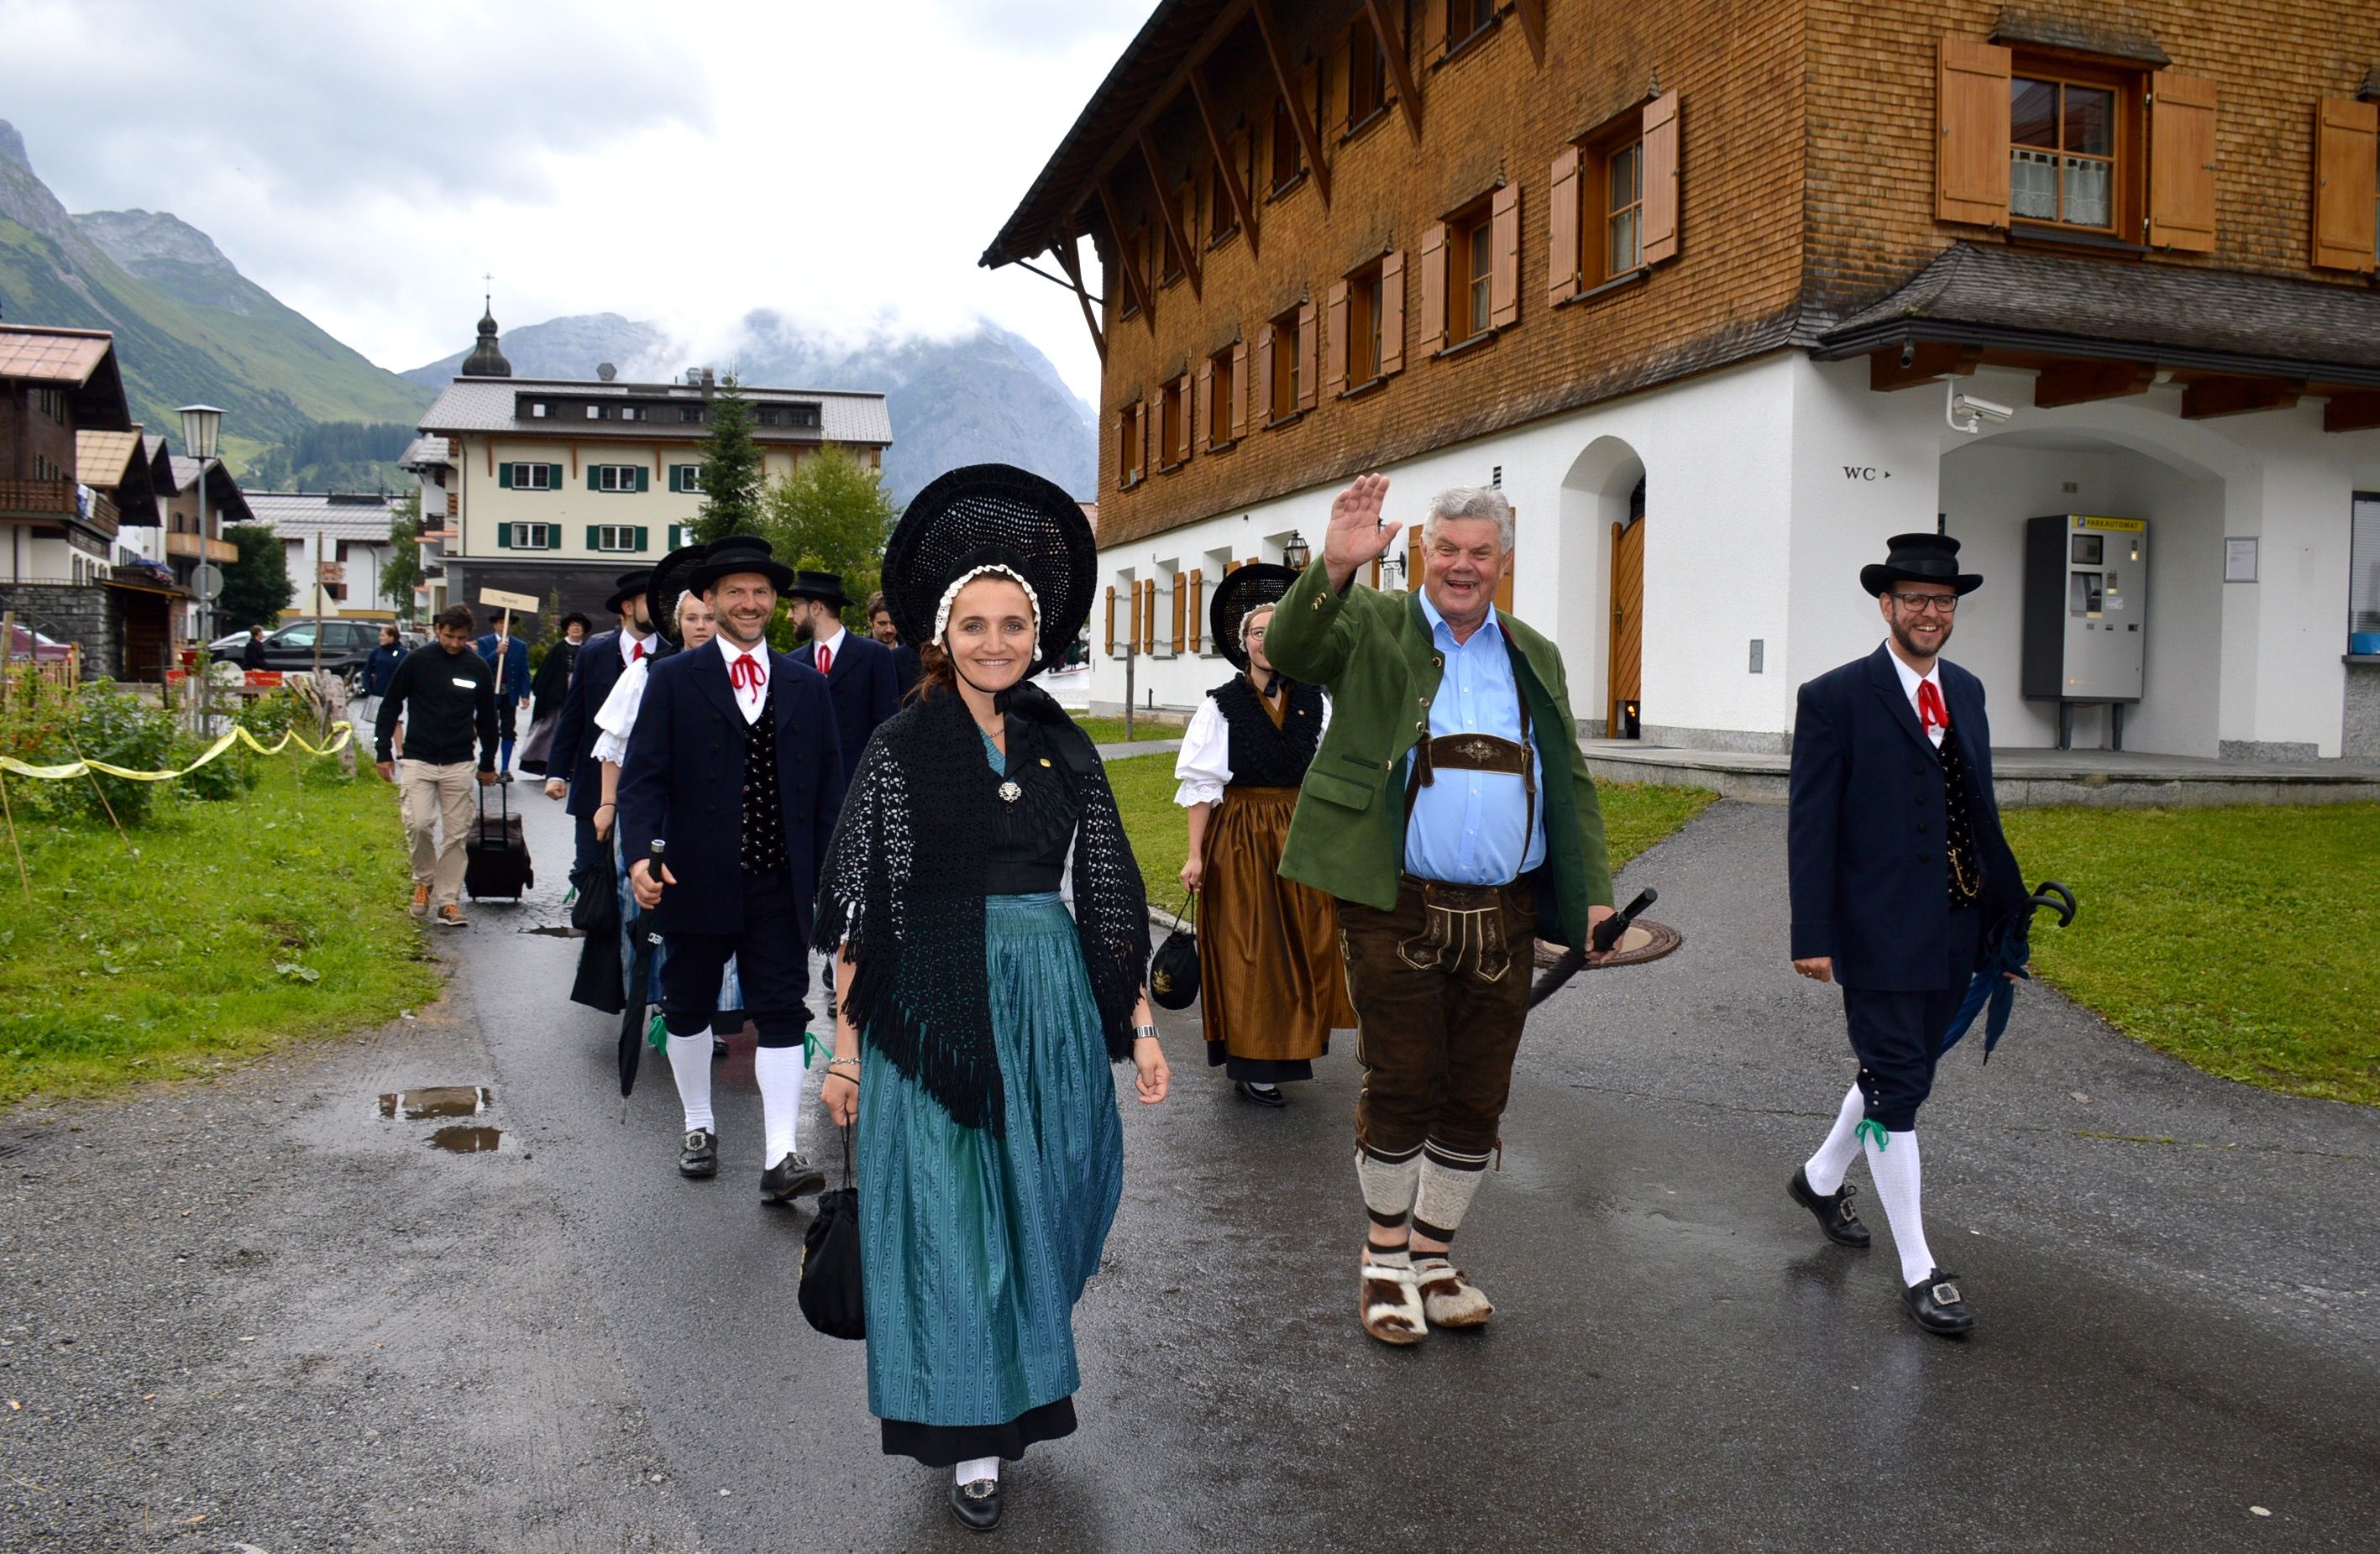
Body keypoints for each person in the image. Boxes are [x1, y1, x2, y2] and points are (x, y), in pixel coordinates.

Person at [815, 464, 1164, 1533]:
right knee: (956, 1223)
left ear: (1037, 634)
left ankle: (1017, 1371)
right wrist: (844, 1049)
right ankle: (970, 1434)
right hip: (932, 1008)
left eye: (1012, 625)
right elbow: (862, 907)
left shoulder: (1062, 742)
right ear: (942, 633)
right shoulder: (900, 746)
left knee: (1052, 1199)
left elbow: (1106, 890)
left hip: (1045, 999)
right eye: (974, 625)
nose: (994, 642)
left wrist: (1139, 1025)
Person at [1265, 476, 1615, 1347]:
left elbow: (1568, 778)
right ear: (1423, 551)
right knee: (1403, 1079)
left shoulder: (1534, 651)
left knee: (1478, 1091)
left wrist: (1592, 895)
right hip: (1397, 902)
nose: (1462, 566)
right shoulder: (1373, 623)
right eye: (1446, 549)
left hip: (1507, 909)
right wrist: (1333, 568)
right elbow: (1295, 647)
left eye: (1479, 552)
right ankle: (1383, 1258)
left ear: (1503, 560)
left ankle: (1434, 1256)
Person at [1785, 531, 2026, 1339]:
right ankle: (1920, 1269)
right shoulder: (1835, 697)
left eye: (1943, 600)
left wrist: (2005, 925)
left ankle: (1821, 1178)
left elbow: (1982, 814)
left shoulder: (1969, 691)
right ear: (1886, 605)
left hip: (1957, 923)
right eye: (1916, 599)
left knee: (1903, 1070)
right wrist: (1812, 932)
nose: (1931, 613)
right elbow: (1811, 825)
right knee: (1897, 1084)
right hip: (1877, 927)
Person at [620, 537, 845, 1203]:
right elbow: (642, 779)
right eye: (736, 591)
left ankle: (779, 1154)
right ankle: (698, 1124)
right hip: (693, 879)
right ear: (711, 600)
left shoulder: (807, 685)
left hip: (779, 881)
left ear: (775, 601)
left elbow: (830, 790)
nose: (750, 603)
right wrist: (639, 858)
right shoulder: (673, 680)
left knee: (782, 1010)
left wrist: (833, 875)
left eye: (761, 592)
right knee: (687, 1005)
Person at [1173, 563, 1355, 1106]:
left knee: (1303, 944)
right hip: (1240, 837)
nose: (1266, 641)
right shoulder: (1219, 705)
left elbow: (1331, 774)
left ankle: (1293, 1044)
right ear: (1243, 642)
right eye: (1257, 632)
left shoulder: (1316, 700)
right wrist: (1195, 855)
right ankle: (1253, 1061)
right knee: (1248, 949)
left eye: (1277, 632)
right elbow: (1202, 785)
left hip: (1300, 832)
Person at [374, 604, 499, 928]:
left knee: (456, 834)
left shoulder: (477, 667)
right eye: (449, 636)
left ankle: (448, 901)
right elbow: (390, 705)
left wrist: (488, 762)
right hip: (418, 758)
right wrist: (383, 751)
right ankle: (424, 881)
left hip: (459, 761)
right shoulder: (416, 661)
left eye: (461, 638)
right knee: (418, 824)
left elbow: (488, 718)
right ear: (437, 630)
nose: (455, 643)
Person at [546, 571, 654, 889]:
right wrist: (556, 772)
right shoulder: (593, 653)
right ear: (628, 607)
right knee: (590, 869)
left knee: (643, 872)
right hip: (594, 779)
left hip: (649, 780)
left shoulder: (673, 653)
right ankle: (593, 916)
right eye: (650, 601)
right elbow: (573, 717)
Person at [787, 571, 901, 791]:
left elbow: (888, 726)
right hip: (807, 788)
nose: (790, 616)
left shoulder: (873, 655)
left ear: (816, 608)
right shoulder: (792, 662)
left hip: (860, 786)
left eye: (794, 607)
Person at [519, 612, 586, 777]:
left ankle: (573, 766)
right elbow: (544, 675)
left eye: (579, 625)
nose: (576, 628)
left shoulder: (587, 649)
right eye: (573, 625)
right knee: (552, 731)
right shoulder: (558, 649)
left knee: (578, 733)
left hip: (579, 698)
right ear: (567, 629)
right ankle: (549, 765)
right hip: (556, 700)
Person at [475, 611, 532, 780]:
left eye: (506, 623)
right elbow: (480, 666)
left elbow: (524, 672)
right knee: (489, 729)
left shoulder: (520, 646)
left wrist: (525, 694)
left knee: (508, 731)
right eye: (500, 623)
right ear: (495, 625)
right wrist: (496, 653)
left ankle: (506, 768)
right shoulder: (484, 642)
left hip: (509, 693)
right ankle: (488, 765)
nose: (503, 626)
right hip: (490, 694)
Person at [868, 588, 921, 699]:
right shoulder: (861, 654)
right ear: (870, 621)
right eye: (882, 623)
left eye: (893, 623)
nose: (889, 629)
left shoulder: (913, 654)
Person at [358, 625, 405, 728]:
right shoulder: (376, 652)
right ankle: (379, 738)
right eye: (380, 635)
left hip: (394, 695)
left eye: (383, 635)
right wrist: (367, 686)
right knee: (379, 722)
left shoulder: (403, 653)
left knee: (396, 722)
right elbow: (368, 670)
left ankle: (398, 740)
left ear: (391, 637)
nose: (380, 638)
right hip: (378, 692)